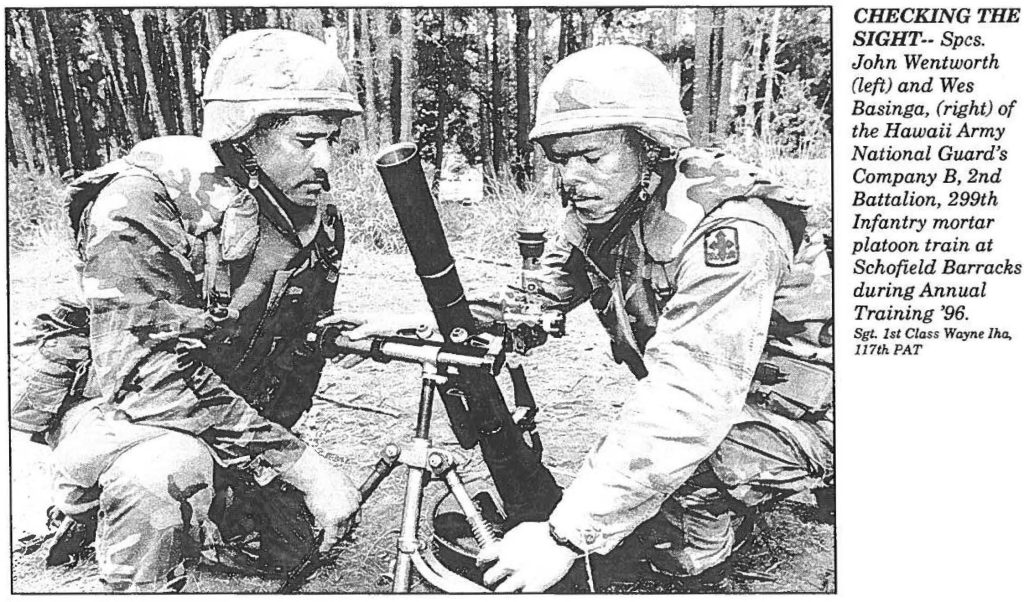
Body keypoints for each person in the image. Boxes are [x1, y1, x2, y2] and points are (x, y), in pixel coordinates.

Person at [11, 29, 366, 591]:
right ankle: (90, 514)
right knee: (165, 475)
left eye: (332, 140)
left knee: (288, 543)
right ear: (245, 136)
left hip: (217, 412)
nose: (325, 162)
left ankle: (211, 496)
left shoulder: (310, 218)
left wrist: (339, 338)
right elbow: (144, 379)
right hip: (116, 410)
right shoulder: (143, 203)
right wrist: (299, 463)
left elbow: (286, 341)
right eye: (305, 142)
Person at [475, 44, 834, 592]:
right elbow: (539, 300)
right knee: (644, 483)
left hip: (811, 410)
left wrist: (565, 535)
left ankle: (735, 513)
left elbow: (689, 397)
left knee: (671, 544)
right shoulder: (604, 210)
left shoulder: (732, 232)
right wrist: (451, 322)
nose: (571, 178)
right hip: (728, 396)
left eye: (591, 157)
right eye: (560, 160)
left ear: (650, 149)